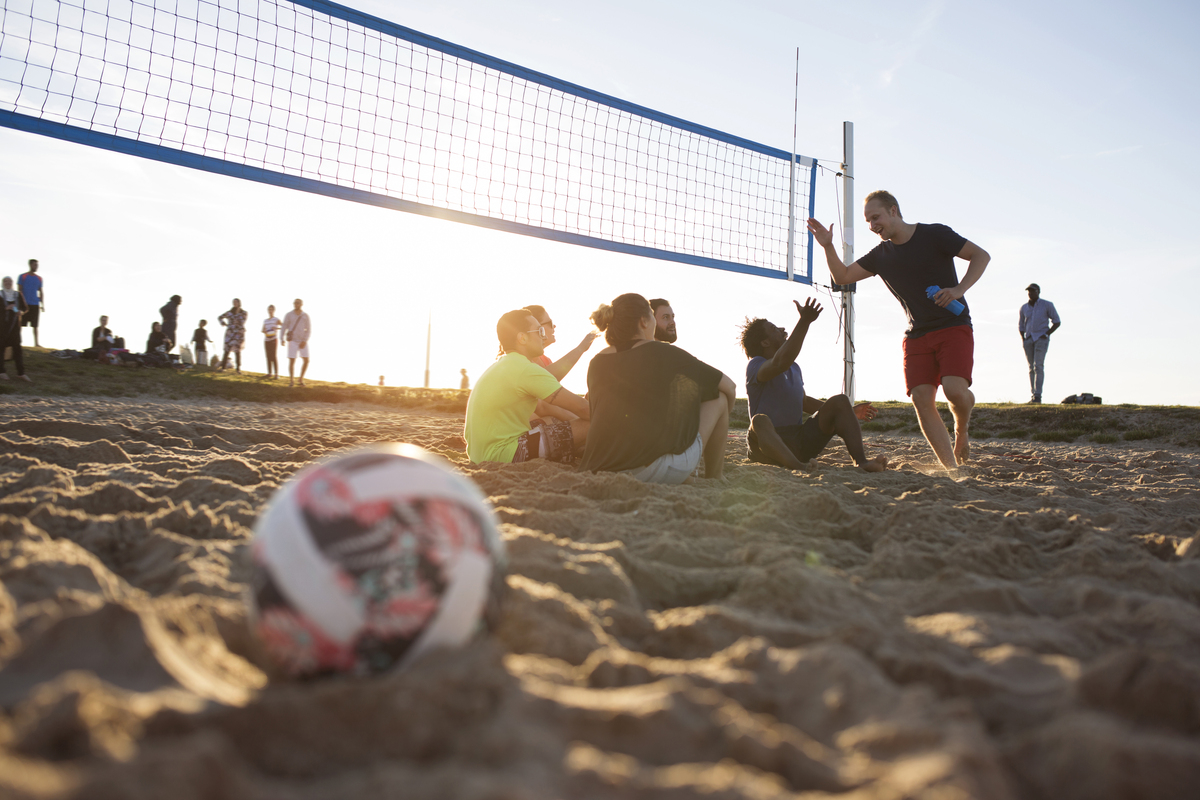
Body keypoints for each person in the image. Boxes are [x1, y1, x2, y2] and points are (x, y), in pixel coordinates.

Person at [807, 190, 990, 470]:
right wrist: (827, 246)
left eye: (875, 217)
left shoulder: (935, 234)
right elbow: (842, 277)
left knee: (955, 391)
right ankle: (953, 470)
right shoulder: (881, 255)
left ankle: (961, 429)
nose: (871, 225)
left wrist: (957, 290)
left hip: (953, 326)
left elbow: (981, 256)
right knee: (920, 398)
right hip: (917, 334)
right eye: (868, 221)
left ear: (893, 210)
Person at [579, 293, 734, 483]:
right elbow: (730, 387)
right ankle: (715, 476)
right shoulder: (663, 352)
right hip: (648, 471)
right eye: (653, 315)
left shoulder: (596, 362)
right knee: (720, 398)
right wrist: (718, 426)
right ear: (644, 321)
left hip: (598, 469)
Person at [740, 300, 889, 473]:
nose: (781, 329)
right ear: (764, 343)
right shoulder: (756, 364)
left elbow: (803, 401)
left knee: (840, 401)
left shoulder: (794, 367)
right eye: (774, 329)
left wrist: (848, 412)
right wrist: (804, 321)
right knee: (759, 420)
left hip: (797, 443)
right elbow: (779, 363)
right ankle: (800, 467)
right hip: (765, 448)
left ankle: (862, 463)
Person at [464, 309, 590, 464]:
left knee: (552, 422)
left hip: (480, 455)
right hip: (504, 454)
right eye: (540, 331)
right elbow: (583, 409)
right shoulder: (525, 369)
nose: (543, 336)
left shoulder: (505, 364)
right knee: (593, 423)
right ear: (522, 338)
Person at [1018, 283, 1061, 404]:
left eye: (1033, 291)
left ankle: (1038, 395)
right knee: (1031, 367)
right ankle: (1033, 395)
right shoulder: (1024, 308)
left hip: (1041, 338)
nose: (1030, 293)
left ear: (1038, 292)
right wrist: (1023, 338)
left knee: (1038, 366)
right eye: (1029, 291)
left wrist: (1046, 334)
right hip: (1029, 339)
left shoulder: (1047, 305)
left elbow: (1057, 321)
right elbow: (1021, 324)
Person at [1, 276, 31, 381]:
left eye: (10, 281)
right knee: (1, 347)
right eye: (5, 281)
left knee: (17, 348)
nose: (8, 283)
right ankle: (2, 371)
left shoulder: (17, 294)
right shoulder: (0, 294)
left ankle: (21, 373)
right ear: (2, 283)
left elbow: (25, 308)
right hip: (2, 326)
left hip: (15, 326)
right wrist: (5, 308)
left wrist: (20, 312)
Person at [282, 298, 311, 386]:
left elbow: (308, 329)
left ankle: (301, 379)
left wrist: (305, 340)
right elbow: (284, 326)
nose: (296, 304)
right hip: (293, 341)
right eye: (295, 303)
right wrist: (281, 338)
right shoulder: (289, 315)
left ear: (301, 304)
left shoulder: (305, 315)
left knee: (306, 360)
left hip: (302, 340)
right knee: (292, 360)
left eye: (298, 303)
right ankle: (291, 381)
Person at [17, 259, 43, 348]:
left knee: (35, 325)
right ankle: (17, 342)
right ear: (30, 265)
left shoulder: (39, 278)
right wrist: (19, 303)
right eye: (35, 265)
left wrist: (42, 304)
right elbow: (19, 290)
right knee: (20, 324)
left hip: (35, 304)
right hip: (24, 304)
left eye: (37, 265)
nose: (36, 267)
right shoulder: (23, 276)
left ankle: (36, 343)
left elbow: (41, 291)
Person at [218, 299, 248, 374]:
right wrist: (223, 323)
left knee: (237, 351)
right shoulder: (229, 312)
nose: (235, 303)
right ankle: (223, 367)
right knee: (226, 350)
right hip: (230, 333)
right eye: (233, 302)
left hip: (238, 334)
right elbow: (220, 317)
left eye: (236, 302)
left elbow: (243, 321)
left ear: (239, 303)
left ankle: (238, 369)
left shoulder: (244, 313)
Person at [262, 305, 282, 379]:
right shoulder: (265, 321)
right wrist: (264, 331)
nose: (270, 311)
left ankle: (276, 374)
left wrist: (276, 328)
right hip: (266, 340)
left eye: (271, 310)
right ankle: (269, 373)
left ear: (274, 311)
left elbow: (283, 326)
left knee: (273, 356)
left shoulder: (276, 319)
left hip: (274, 339)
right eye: (269, 310)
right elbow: (262, 329)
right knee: (268, 356)